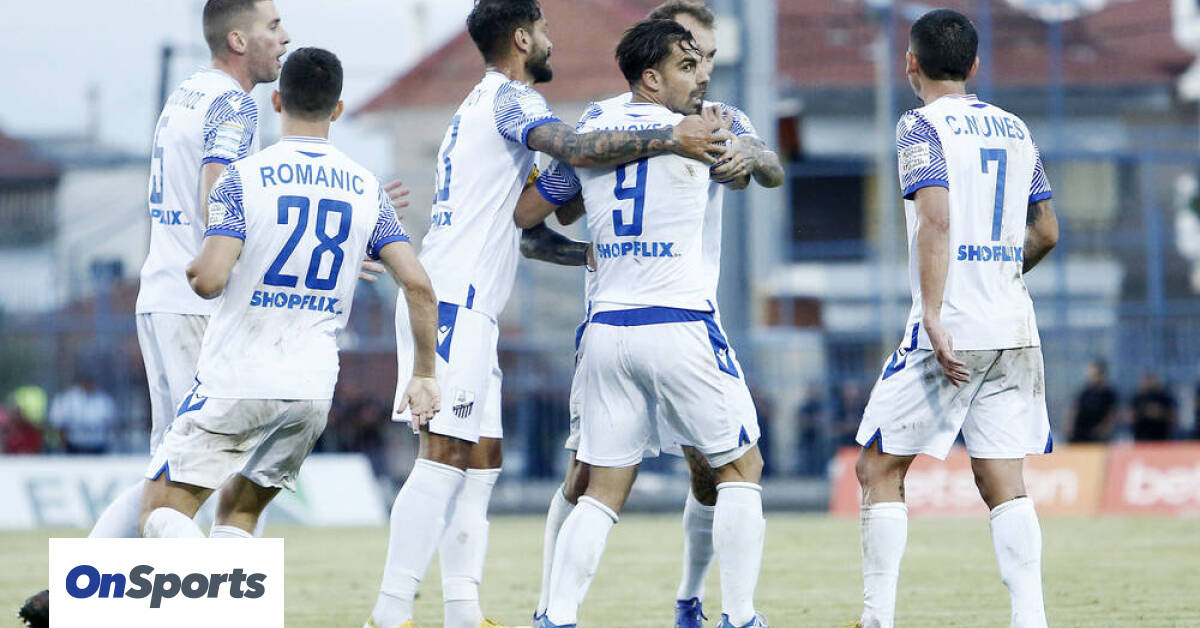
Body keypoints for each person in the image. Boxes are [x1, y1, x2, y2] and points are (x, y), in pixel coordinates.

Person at [365, 0, 730, 626]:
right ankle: (390, 612)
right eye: (543, 29)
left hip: (472, 307)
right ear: (520, 38)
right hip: (452, 301)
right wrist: (672, 135)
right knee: (442, 459)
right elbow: (578, 148)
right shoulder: (512, 100)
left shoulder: (480, 105)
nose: (550, 39)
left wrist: (586, 252)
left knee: (480, 465)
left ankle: (464, 612)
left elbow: (527, 230)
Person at [513, 3, 784, 625]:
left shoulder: (595, 128)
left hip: (608, 327)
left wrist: (586, 234)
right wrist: (746, 153)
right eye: (690, 63)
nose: (703, 74)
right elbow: (764, 172)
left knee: (601, 487)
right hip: (680, 320)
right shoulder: (705, 125)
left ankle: (555, 615)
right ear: (652, 76)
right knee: (740, 468)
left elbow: (531, 214)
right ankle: (740, 617)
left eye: (705, 60)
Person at [137, 47, 439, 540]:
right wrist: (424, 373)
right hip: (310, 390)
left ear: (276, 101)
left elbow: (209, 280)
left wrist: (194, 265)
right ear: (337, 109)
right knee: (239, 512)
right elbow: (419, 286)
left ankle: (195, 580)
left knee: (159, 511)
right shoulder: (367, 190)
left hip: (237, 378)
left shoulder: (241, 179)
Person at [851, 9, 1059, 628]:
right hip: (1012, 326)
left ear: (910, 63)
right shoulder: (1016, 129)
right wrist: (1000, 272)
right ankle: (1031, 618)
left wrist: (937, 313)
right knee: (1003, 480)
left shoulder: (919, 125)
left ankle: (877, 619)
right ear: (974, 65)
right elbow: (1047, 230)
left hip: (952, 326)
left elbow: (935, 218)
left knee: (878, 467)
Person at [84, 0, 290, 542]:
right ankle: (226, 581)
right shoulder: (234, 105)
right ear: (239, 41)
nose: (285, 37)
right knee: (229, 465)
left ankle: (82, 580)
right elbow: (217, 197)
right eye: (273, 26)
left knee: (170, 466)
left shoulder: (187, 94)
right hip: (199, 304)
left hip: (165, 293)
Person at [47, 373, 117, 454]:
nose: (88, 385)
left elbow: (112, 421)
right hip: (73, 445)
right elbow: (56, 421)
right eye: (85, 382)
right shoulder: (67, 398)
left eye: (90, 382)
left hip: (98, 446)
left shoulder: (104, 399)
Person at [1067, 359, 1119, 443]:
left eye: (1095, 374)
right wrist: (1070, 428)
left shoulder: (1109, 395)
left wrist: (1100, 431)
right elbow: (1074, 411)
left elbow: (1111, 416)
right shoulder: (1085, 393)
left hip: (1096, 438)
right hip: (1079, 435)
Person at [1131, 372, 1177, 441]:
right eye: (1146, 379)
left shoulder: (1164, 397)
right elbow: (1129, 418)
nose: (1149, 382)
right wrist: (1144, 412)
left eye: (1151, 379)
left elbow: (1174, 418)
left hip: (1162, 439)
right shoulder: (1138, 398)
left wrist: (1160, 412)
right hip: (1141, 439)